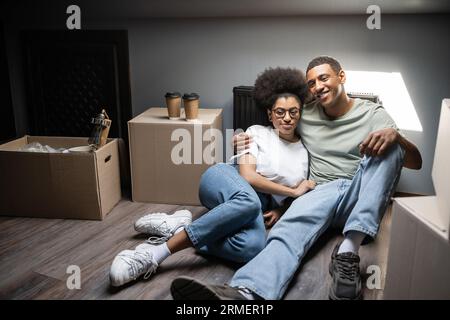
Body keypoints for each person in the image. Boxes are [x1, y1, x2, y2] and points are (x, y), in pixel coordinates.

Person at [169, 56, 423, 300]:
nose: (318, 87)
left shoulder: (373, 113)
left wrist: (396, 136)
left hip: (359, 193)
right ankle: (247, 292)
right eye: (311, 83)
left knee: (392, 144)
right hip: (317, 193)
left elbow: (415, 162)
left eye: (324, 78)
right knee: (286, 234)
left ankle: (348, 251)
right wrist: (241, 141)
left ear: (341, 76)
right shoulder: (305, 113)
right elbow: (277, 127)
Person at [109, 67, 315, 287]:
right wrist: (292, 191)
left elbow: (291, 195)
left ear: (300, 113)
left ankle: (181, 228)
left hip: (255, 205)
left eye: (293, 112)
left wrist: (279, 209)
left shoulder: (304, 153)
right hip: (225, 178)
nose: (287, 118)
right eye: (280, 112)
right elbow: (248, 176)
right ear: (269, 114)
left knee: (252, 248)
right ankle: (154, 254)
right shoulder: (256, 132)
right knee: (249, 200)